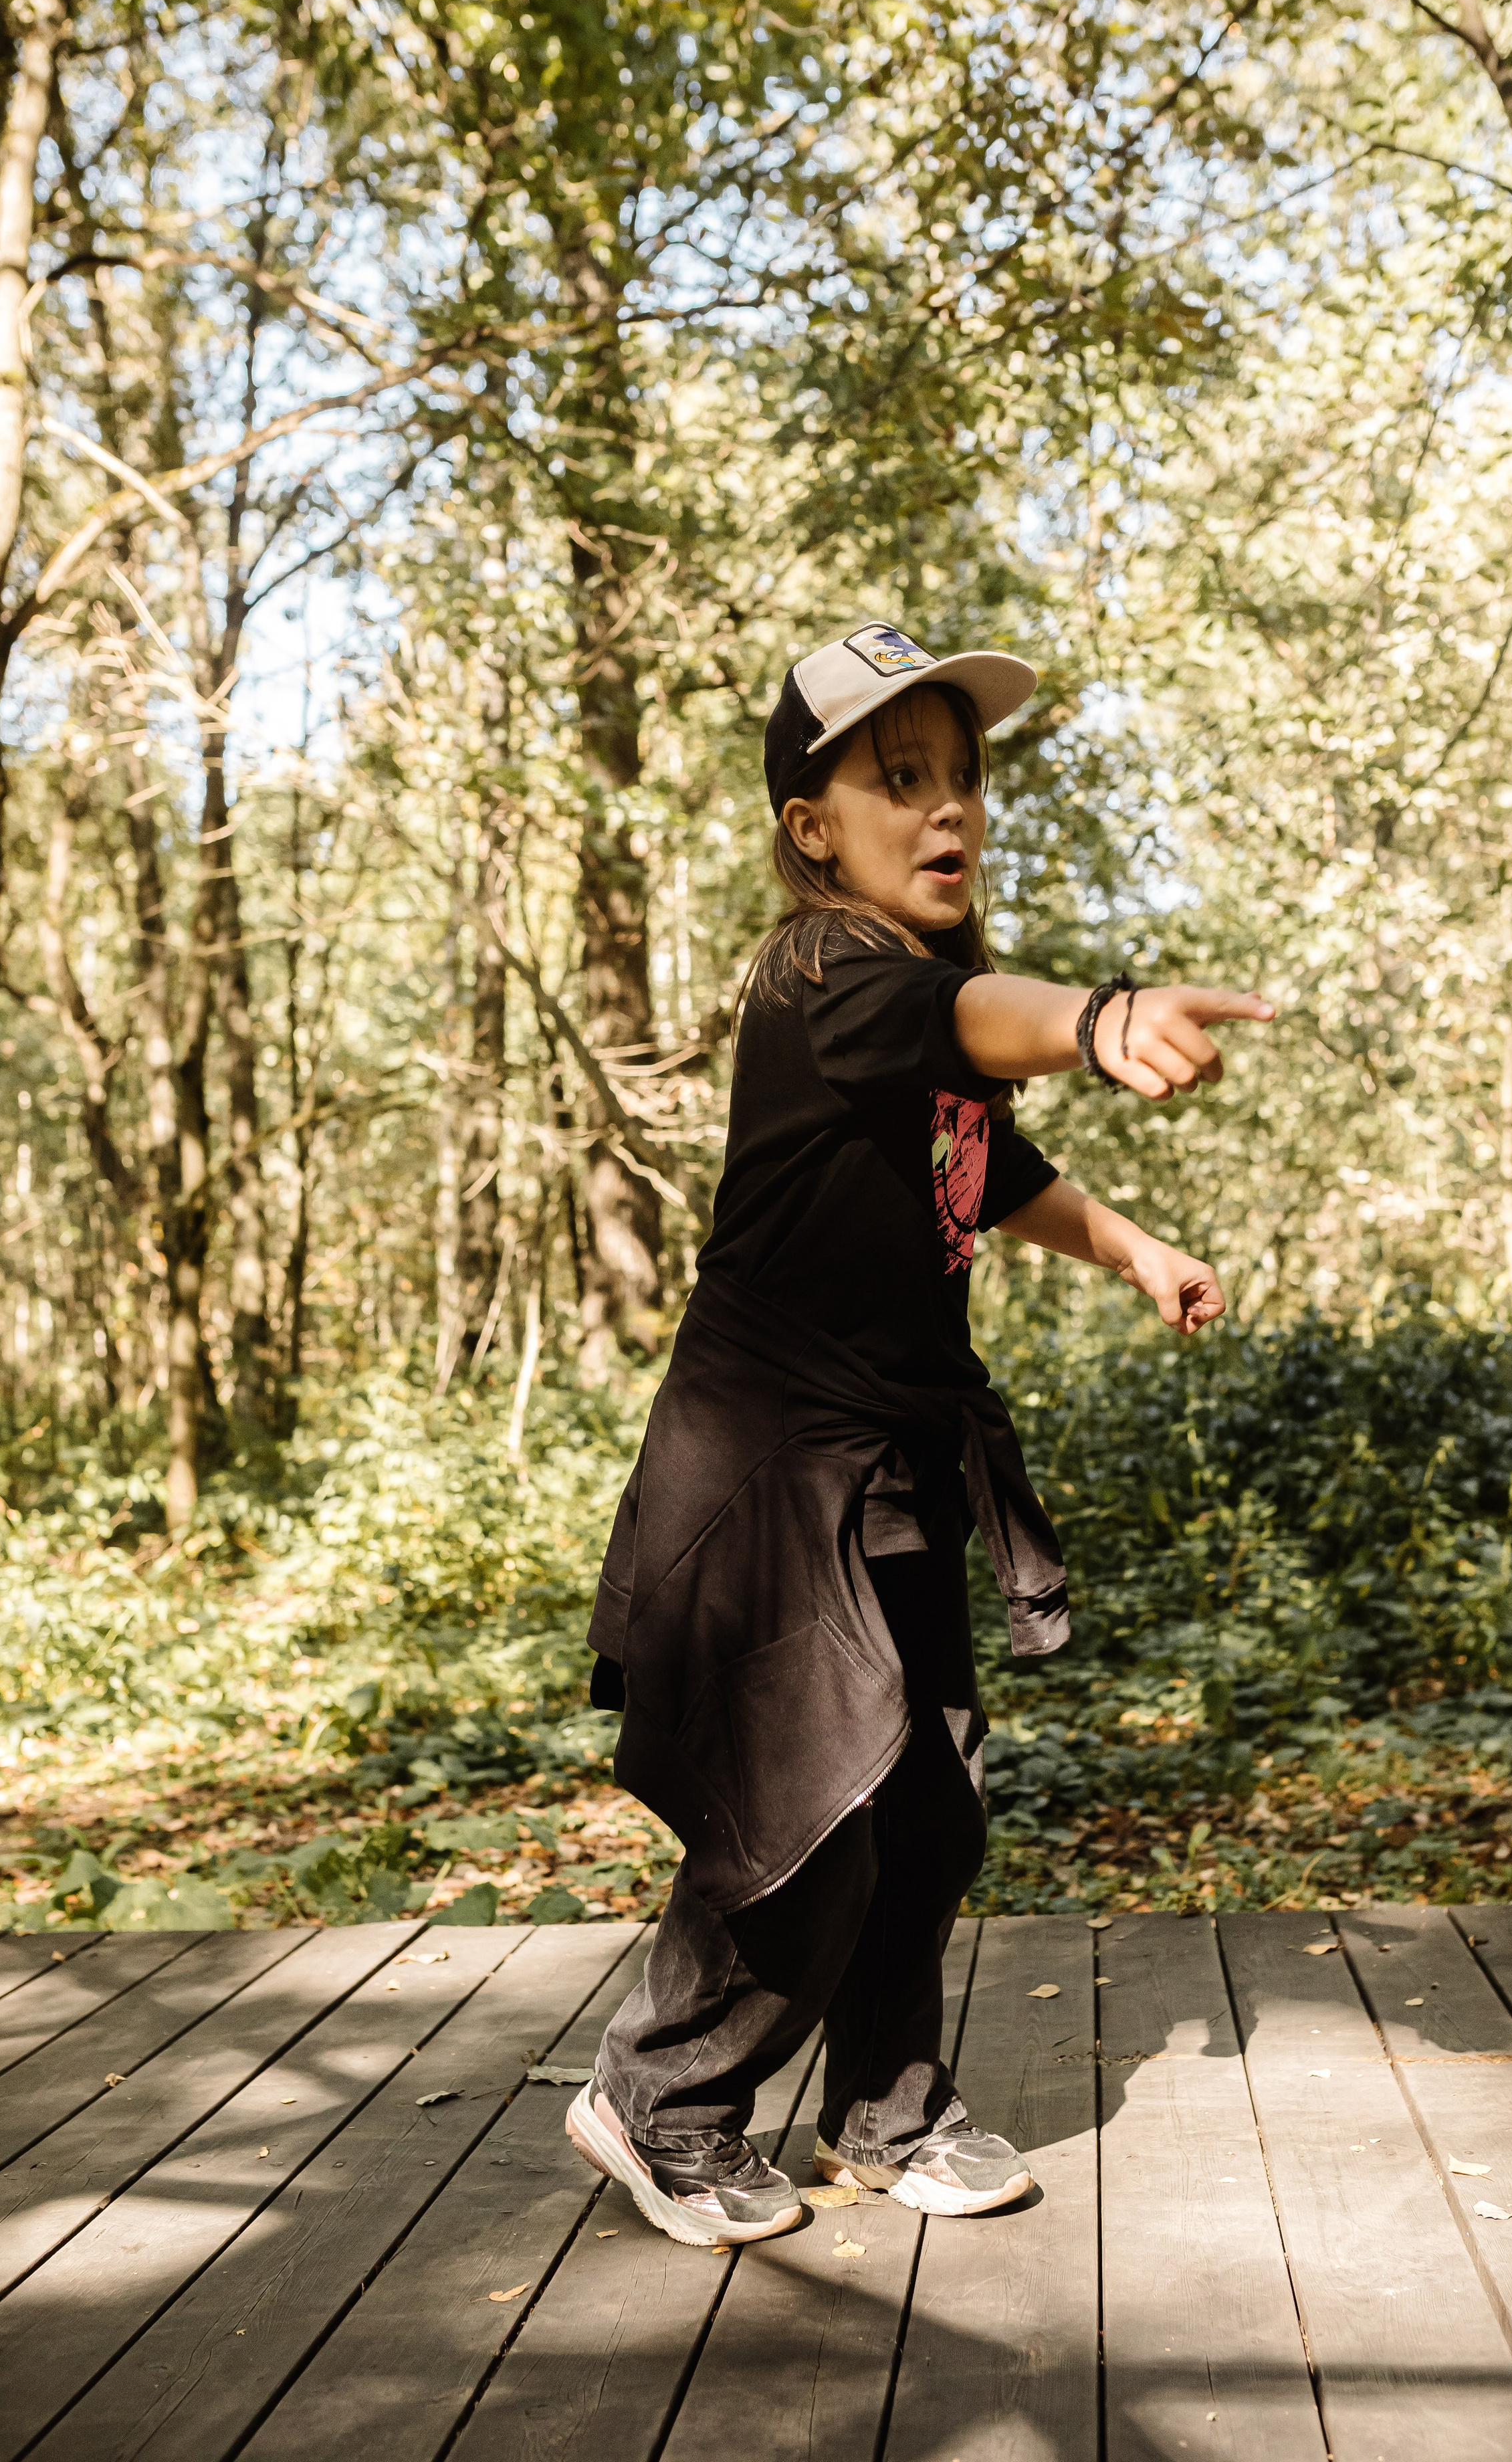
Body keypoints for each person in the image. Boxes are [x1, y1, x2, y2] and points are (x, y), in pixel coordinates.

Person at [564, 619, 1275, 2248]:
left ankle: (885, 2114)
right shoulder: (826, 974)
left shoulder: (925, 998)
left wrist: (1133, 1249)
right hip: (767, 1474)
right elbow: (973, 1031)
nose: (944, 809)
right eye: (899, 781)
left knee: (926, 1805)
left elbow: (988, 1164)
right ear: (815, 829)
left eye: (958, 778)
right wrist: (1099, 1018)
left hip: (894, 1461)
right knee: (808, 1812)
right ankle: (656, 2104)